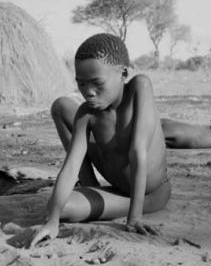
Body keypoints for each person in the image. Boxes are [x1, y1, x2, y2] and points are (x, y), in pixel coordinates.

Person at [30, 33, 170, 248]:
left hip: (150, 194)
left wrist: (135, 217)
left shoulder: (139, 88)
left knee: (66, 207)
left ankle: (103, 199)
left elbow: (137, 151)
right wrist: (53, 221)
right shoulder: (86, 114)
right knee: (58, 207)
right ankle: (90, 189)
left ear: (123, 72)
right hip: (117, 189)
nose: (89, 92)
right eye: (81, 84)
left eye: (97, 83)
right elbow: (70, 167)